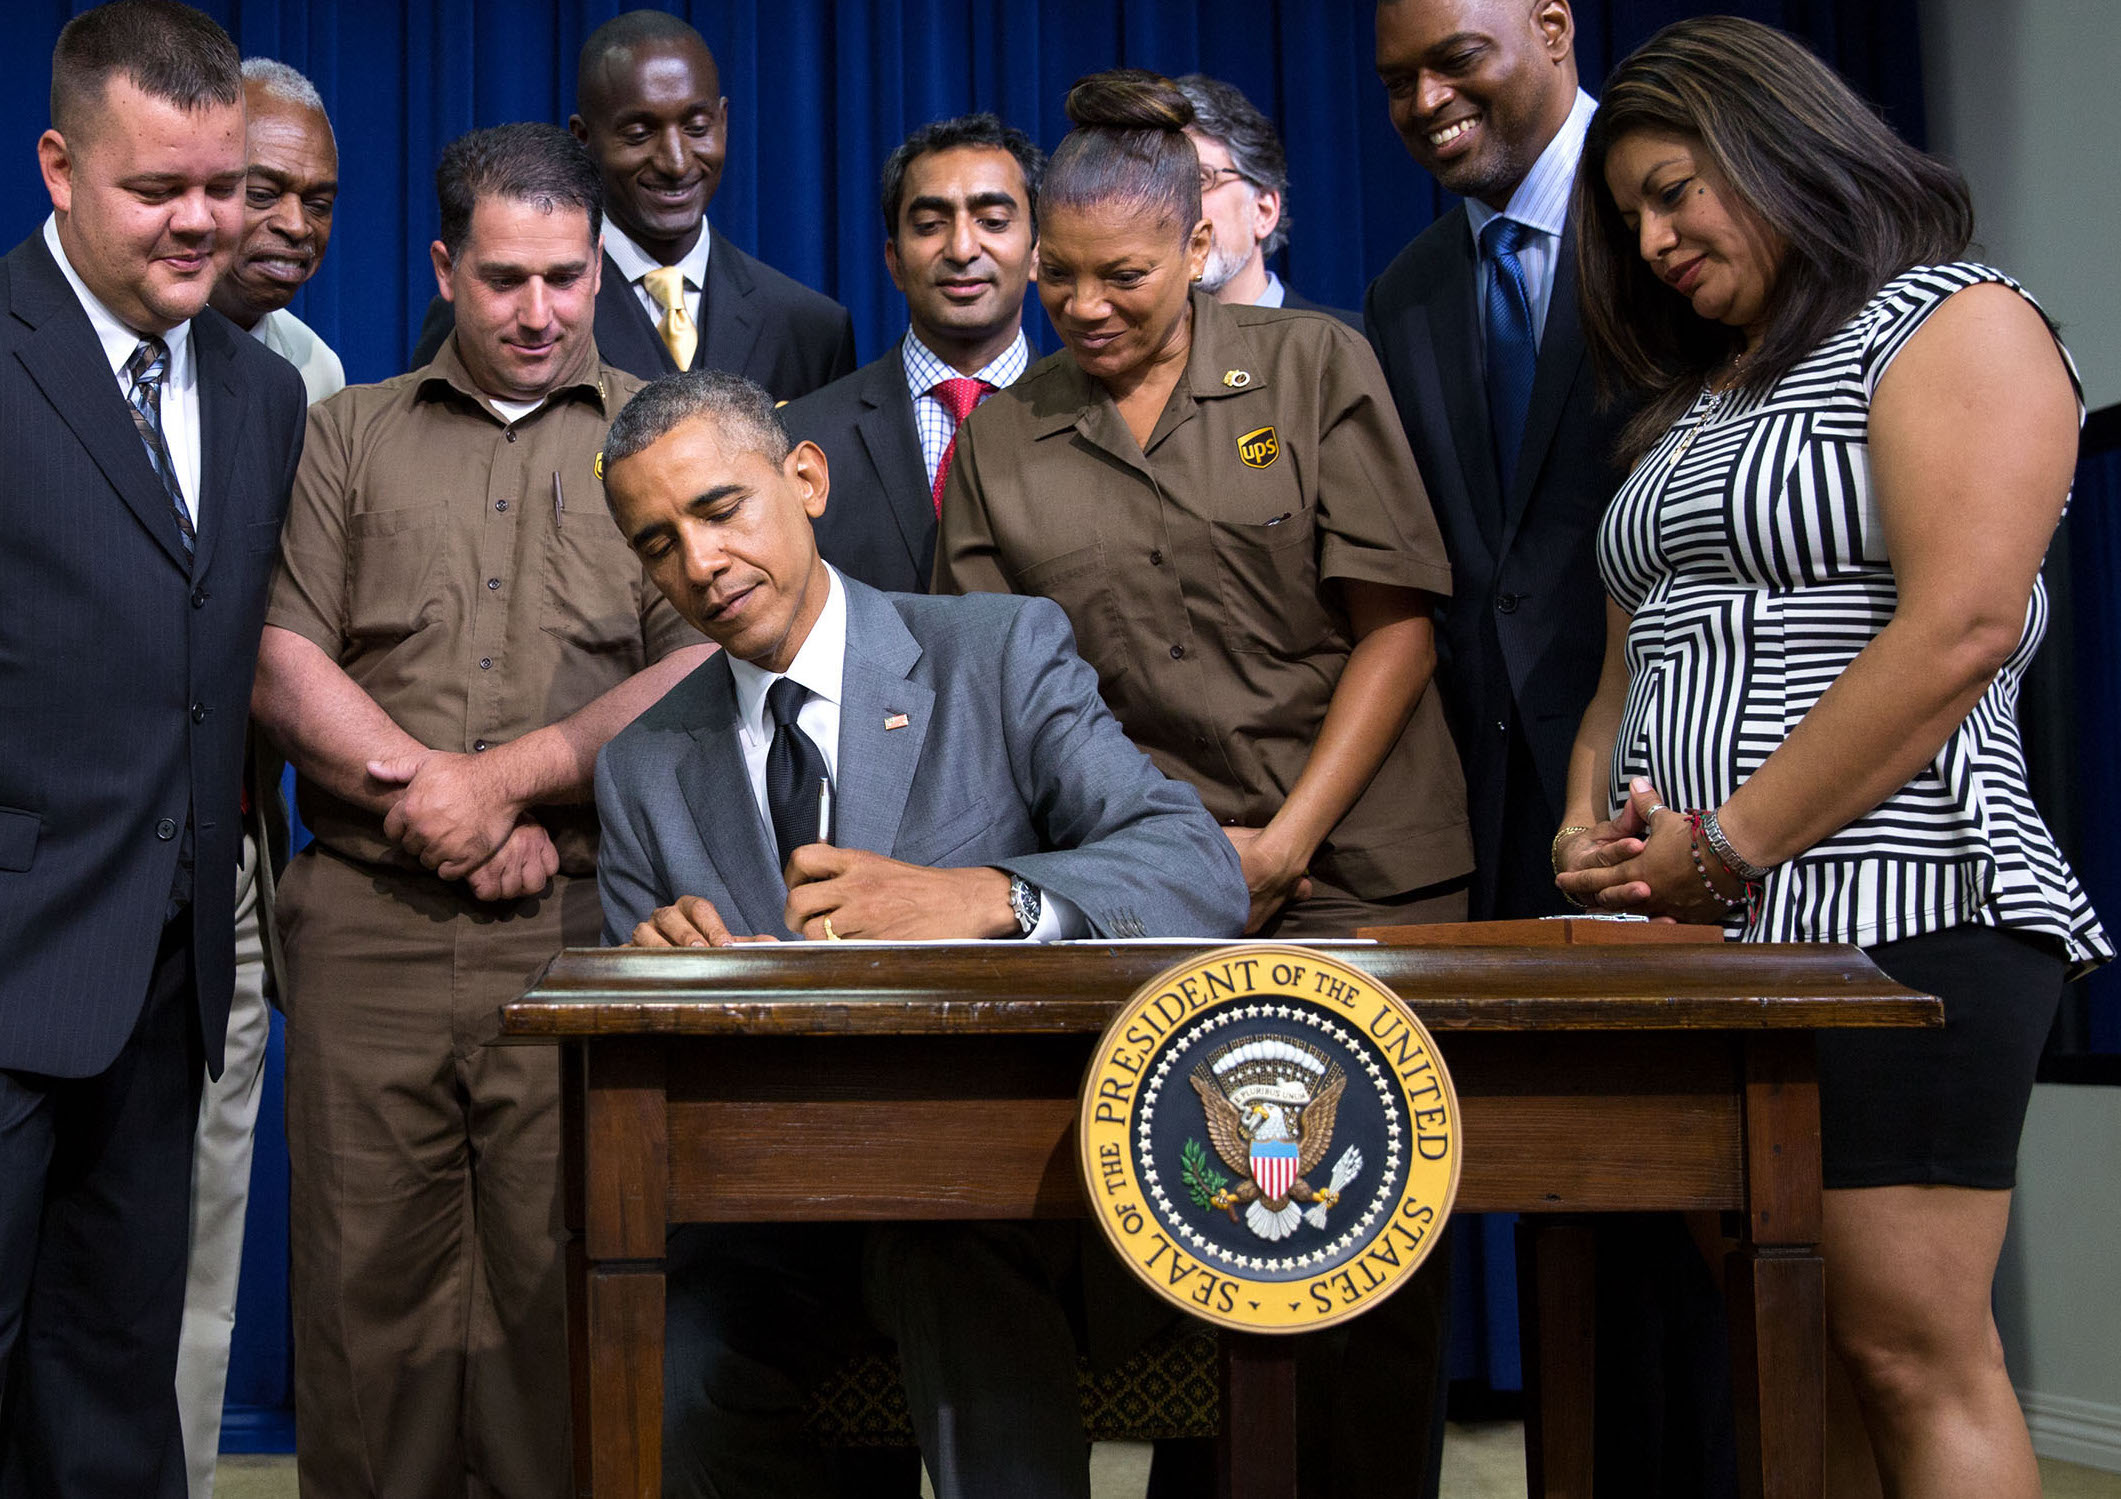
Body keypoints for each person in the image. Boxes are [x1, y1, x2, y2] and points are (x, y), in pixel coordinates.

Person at [1557, 17, 2111, 1499]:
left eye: (1678, 190)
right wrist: (1581, 827)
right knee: (1780, 1346)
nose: (1656, 238)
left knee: (1905, 1349)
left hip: (1900, 904)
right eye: (1630, 218)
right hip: (1689, 937)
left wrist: (1728, 843)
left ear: (1782, 145)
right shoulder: (1697, 401)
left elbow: (1962, 626)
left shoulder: (1953, 316)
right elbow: (1627, 663)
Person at [933, 67, 1468, 1499]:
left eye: (1126, 276)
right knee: (1196, 1233)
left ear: (1194, 246)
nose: (1088, 306)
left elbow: (1396, 625)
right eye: (1064, 278)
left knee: (1361, 1247)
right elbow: (1002, 698)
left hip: (1359, 866)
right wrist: (1171, 860)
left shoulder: (1313, 366)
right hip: (1152, 885)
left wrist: (1283, 842)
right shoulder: (1003, 440)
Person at [597, 368, 1248, 1497]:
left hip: (1000, 1198)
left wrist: (992, 896)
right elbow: (647, 1078)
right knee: (683, 1363)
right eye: (657, 543)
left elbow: (1193, 869)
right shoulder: (642, 764)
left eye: (718, 509)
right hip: (777, 1221)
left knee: (953, 1265)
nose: (697, 566)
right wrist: (655, 983)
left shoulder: (996, 653)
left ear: (805, 478)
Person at [251, 122, 713, 1499]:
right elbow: (285, 658)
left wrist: (501, 783)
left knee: (555, 1277)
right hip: (368, 925)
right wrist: (431, 804)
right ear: (447, 266)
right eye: (506, 277)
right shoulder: (348, 429)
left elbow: (691, 665)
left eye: (567, 279)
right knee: (362, 1289)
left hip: (576, 924)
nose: (538, 311)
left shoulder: (660, 438)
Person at [0, 3, 307, 1492]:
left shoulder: (259, 390)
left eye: (224, 184)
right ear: (58, 167)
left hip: (166, 985)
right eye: (158, 188)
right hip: (2, 965)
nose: (203, 221)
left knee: (115, 1376)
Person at [177, 55, 343, 1499]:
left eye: (317, 199)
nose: (289, 221)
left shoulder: (314, 382)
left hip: (225, 859)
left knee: (199, 1238)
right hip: (48, 860)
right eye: (262, 187)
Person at [408, 11, 855, 399]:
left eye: (697, 128)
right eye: (639, 135)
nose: (676, 162)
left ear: (724, 121)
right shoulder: (490, 311)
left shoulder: (810, 328)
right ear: (583, 138)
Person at [780, 114, 1042, 595]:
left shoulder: (1094, 419)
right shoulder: (801, 437)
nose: (963, 248)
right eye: (929, 225)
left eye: (993, 222)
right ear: (894, 261)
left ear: (1038, 253)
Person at [1173, 73, 1354, 325]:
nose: (1176, 206)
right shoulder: (1126, 359)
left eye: (1200, 181)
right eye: (1161, 187)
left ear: (1264, 211)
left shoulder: (1350, 343)